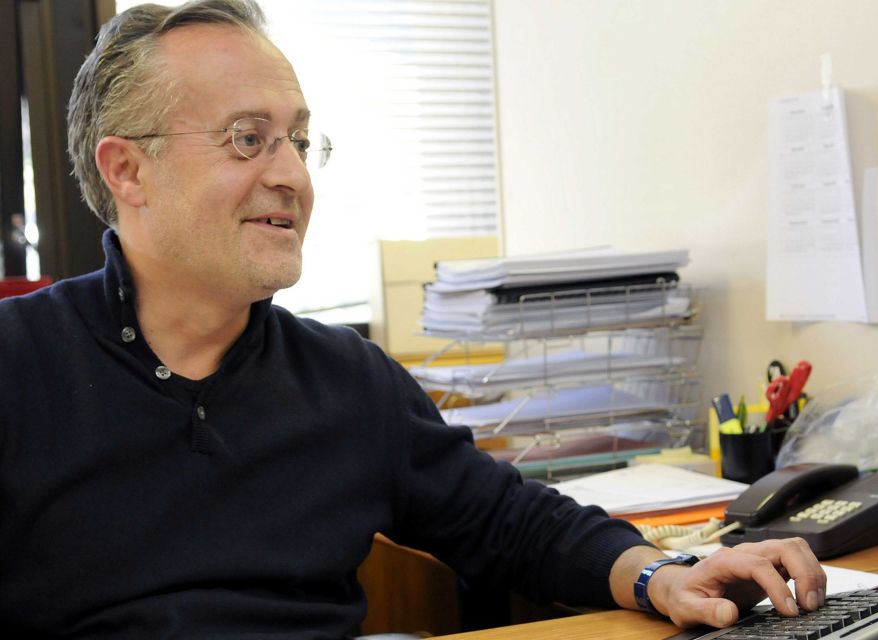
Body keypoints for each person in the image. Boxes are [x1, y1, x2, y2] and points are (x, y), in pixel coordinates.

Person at [0, 1, 826, 637]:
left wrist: (663, 576)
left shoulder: (346, 380)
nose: (292, 176)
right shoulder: (18, 367)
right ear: (128, 170)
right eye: (248, 139)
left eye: (299, 141)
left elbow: (511, 522)